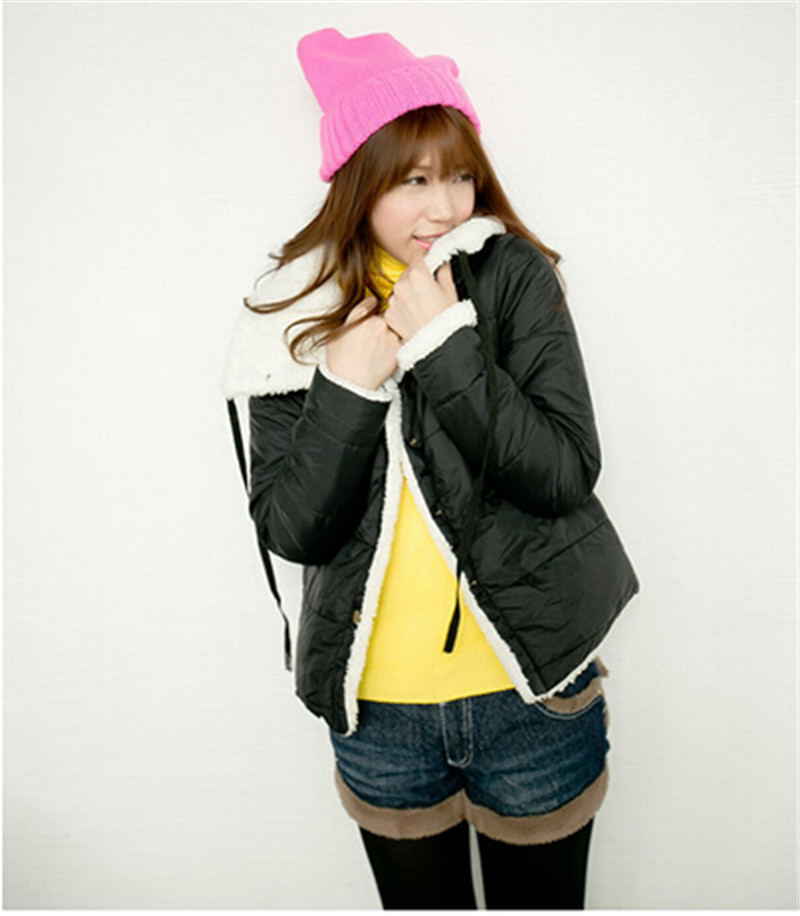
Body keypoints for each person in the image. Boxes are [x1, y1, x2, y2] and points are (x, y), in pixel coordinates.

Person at [223, 27, 639, 910]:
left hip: (532, 698)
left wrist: (447, 347)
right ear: (360, 178)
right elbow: (292, 530)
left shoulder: (510, 276)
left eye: (459, 176)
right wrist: (346, 388)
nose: (445, 206)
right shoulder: (289, 312)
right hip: (379, 716)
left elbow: (565, 473)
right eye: (414, 180)